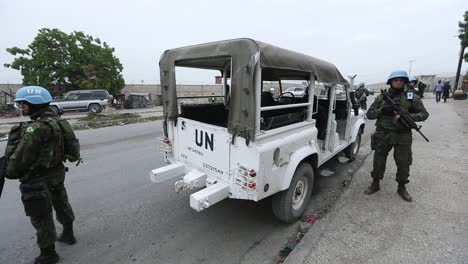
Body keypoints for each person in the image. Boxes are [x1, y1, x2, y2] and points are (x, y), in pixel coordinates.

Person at [5, 86, 77, 264]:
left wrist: (8, 171)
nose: (22, 108)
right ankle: (68, 233)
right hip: (56, 173)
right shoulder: (57, 122)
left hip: (37, 179)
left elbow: (20, 159)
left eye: (23, 105)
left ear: (33, 105)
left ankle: (48, 253)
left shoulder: (35, 129)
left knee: (41, 215)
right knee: (61, 202)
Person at [365, 70, 429, 202]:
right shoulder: (382, 97)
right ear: (391, 82)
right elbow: (369, 114)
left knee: (403, 162)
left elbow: (424, 114)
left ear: (405, 82)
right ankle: (375, 183)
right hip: (383, 133)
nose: (398, 82)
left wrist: (408, 117)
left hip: (403, 135)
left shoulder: (412, 97)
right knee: (378, 160)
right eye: (396, 80)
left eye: (401, 80)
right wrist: (382, 111)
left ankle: (402, 187)